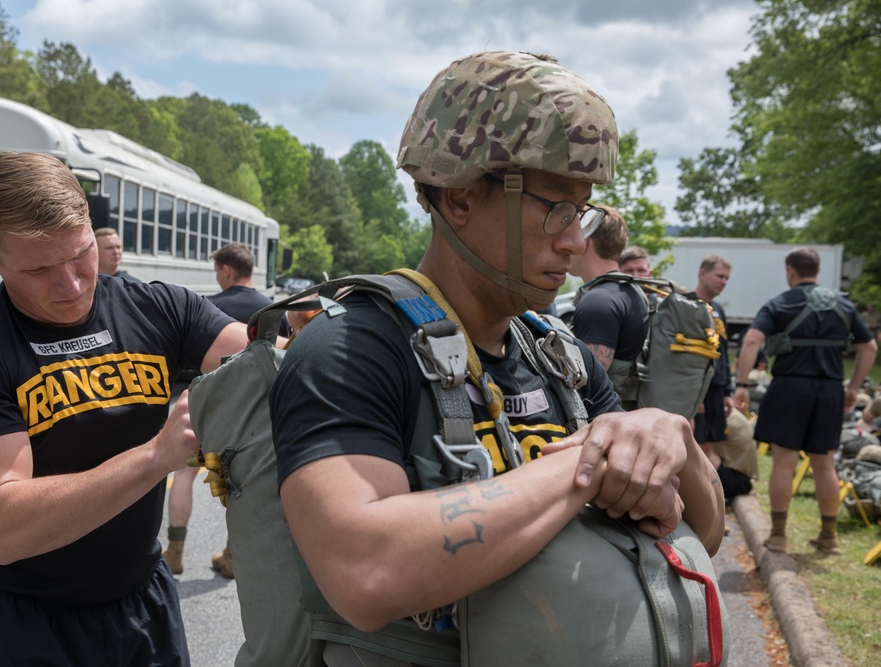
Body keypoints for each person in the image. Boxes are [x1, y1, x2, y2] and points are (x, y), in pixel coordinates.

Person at [270, 51, 724, 664]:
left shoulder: (560, 358)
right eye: (555, 208)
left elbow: (707, 531)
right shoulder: (350, 352)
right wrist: (584, 466)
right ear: (459, 197)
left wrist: (675, 443)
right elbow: (365, 572)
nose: (575, 241)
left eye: (583, 210)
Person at [0, 152, 251, 665]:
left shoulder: (158, 308)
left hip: (143, 603)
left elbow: (263, 365)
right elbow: (3, 528)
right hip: (22, 623)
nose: (70, 283)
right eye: (39, 268)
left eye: (81, 254)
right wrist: (155, 457)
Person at [735, 247, 877, 555]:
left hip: (788, 388)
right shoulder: (843, 305)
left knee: (784, 462)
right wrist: (852, 387)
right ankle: (829, 537)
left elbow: (751, 340)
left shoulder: (779, 303)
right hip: (828, 391)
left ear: (790, 271)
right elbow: (869, 347)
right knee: (824, 464)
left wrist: (743, 384)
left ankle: (778, 536)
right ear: (818, 269)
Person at [163, 242, 273, 579]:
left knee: (183, 475)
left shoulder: (207, 308)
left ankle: (175, 552)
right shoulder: (272, 312)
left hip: (207, 412)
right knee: (245, 485)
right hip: (254, 418)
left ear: (226, 270)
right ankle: (231, 556)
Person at [568, 205, 649, 407]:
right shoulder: (631, 291)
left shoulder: (599, 301)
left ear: (584, 241)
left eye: (571, 235)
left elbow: (585, 386)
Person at [692, 255, 735, 454]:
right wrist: (692, 394)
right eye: (719, 276)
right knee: (693, 449)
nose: (724, 282)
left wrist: (727, 392)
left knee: (709, 448)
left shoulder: (718, 309)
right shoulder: (687, 306)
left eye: (727, 278)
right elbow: (681, 357)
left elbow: (723, 354)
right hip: (696, 391)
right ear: (702, 274)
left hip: (716, 391)